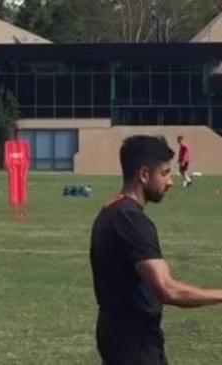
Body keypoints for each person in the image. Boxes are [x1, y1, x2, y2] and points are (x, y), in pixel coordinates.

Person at [90, 135, 222, 365]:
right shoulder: (131, 220)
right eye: (164, 173)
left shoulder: (112, 210)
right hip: (134, 342)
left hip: (120, 334)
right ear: (143, 174)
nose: (170, 181)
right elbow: (167, 290)